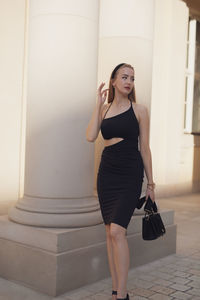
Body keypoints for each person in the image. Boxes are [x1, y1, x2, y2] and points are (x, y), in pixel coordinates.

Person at [86, 63, 155, 300]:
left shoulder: (140, 110)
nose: (129, 81)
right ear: (113, 81)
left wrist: (151, 184)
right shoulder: (103, 110)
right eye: (124, 77)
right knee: (108, 232)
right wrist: (97, 106)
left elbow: (145, 148)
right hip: (107, 172)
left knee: (117, 231)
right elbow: (90, 136)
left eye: (132, 78)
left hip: (129, 173)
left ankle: (123, 294)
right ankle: (116, 291)